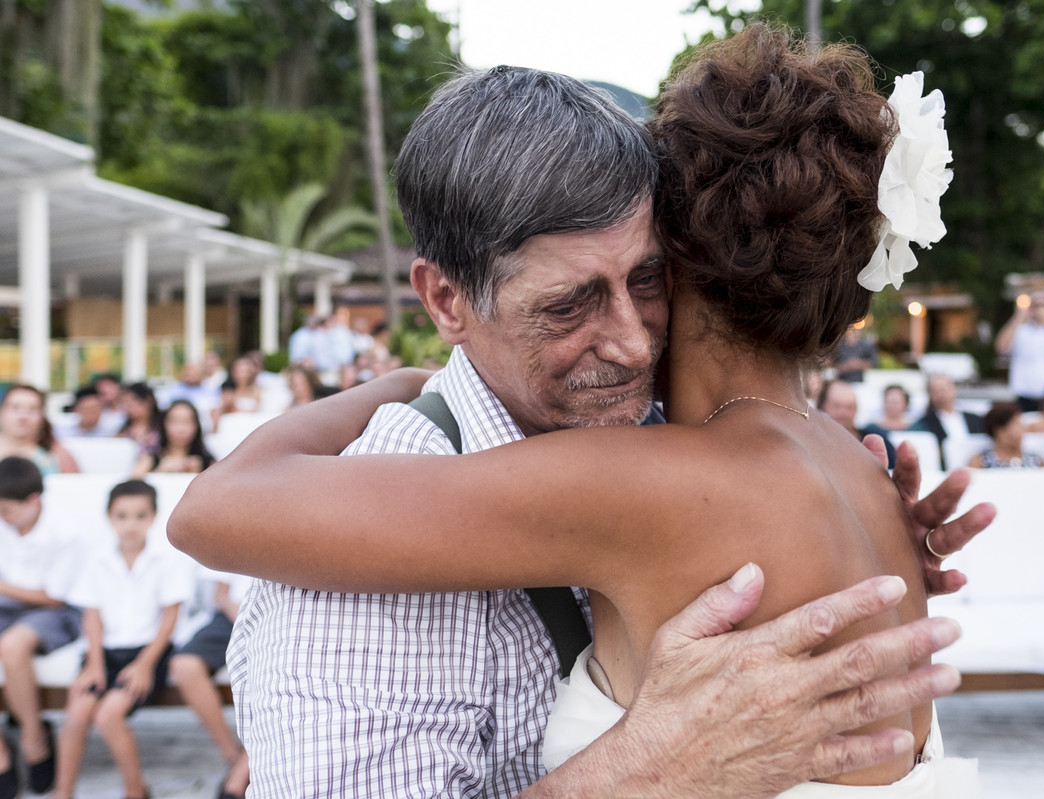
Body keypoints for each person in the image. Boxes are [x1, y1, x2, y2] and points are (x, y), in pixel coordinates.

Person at [172, 29, 989, 798]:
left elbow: (219, 506)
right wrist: (647, 771)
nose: (632, 344)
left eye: (646, 279)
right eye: (571, 304)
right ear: (447, 300)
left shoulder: (655, 468)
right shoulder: (845, 467)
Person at [54, 480, 193, 799]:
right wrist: (94, 664)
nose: (131, 525)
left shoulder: (167, 558)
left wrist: (144, 665)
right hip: (103, 654)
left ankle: (135, 790)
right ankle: (63, 792)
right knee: (76, 715)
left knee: (108, 715)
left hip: (147, 654)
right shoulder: (96, 558)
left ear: (154, 517)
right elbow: (92, 616)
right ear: (109, 518)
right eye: (122, 516)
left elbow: (170, 617)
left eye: (140, 516)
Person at [0, 457, 84, 799]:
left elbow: (54, 596)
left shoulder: (66, 531)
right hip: (8, 605)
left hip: (56, 611)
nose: (3, 517)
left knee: (12, 645)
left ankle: (34, 741)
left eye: (7, 510)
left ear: (33, 501)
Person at [168, 570, 255, 799]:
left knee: (274, 671)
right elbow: (221, 594)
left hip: (284, 613)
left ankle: (239, 776)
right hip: (232, 614)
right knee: (184, 666)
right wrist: (244, 616)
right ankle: (234, 759)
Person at [0, 385, 80, 475]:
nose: (23, 416)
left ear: (42, 416)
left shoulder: (59, 456)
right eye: (15, 408)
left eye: (32, 409)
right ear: (2, 411)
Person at [819, 379, 898, 469]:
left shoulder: (875, 438)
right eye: (836, 406)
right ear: (824, 407)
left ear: (856, 409)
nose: (843, 413)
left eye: (850, 407)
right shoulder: (812, 441)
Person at [910, 374, 985, 468]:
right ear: (930, 394)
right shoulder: (924, 424)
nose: (941, 394)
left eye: (943, 389)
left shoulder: (975, 419)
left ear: (953, 389)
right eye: (935, 391)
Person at [131, 399, 215, 478]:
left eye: (186, 421)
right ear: (164, 425)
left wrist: (200, 475)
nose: (181, 429)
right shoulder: (150, 459)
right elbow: (133, 483)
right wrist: (160, 471)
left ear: (196, 426)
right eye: (175, 422)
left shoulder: (208, 462)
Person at [968, 402, 1044, 469]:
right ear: (1000, 431)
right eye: (1017, 424)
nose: (1023, 429)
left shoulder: (1037, 461)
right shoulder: (979, 462)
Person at [116, 382, 161, 454]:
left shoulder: (162, 428)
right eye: (125, 402)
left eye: (133, 401)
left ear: (149, 400)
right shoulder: (122, 432)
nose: (129, 406)